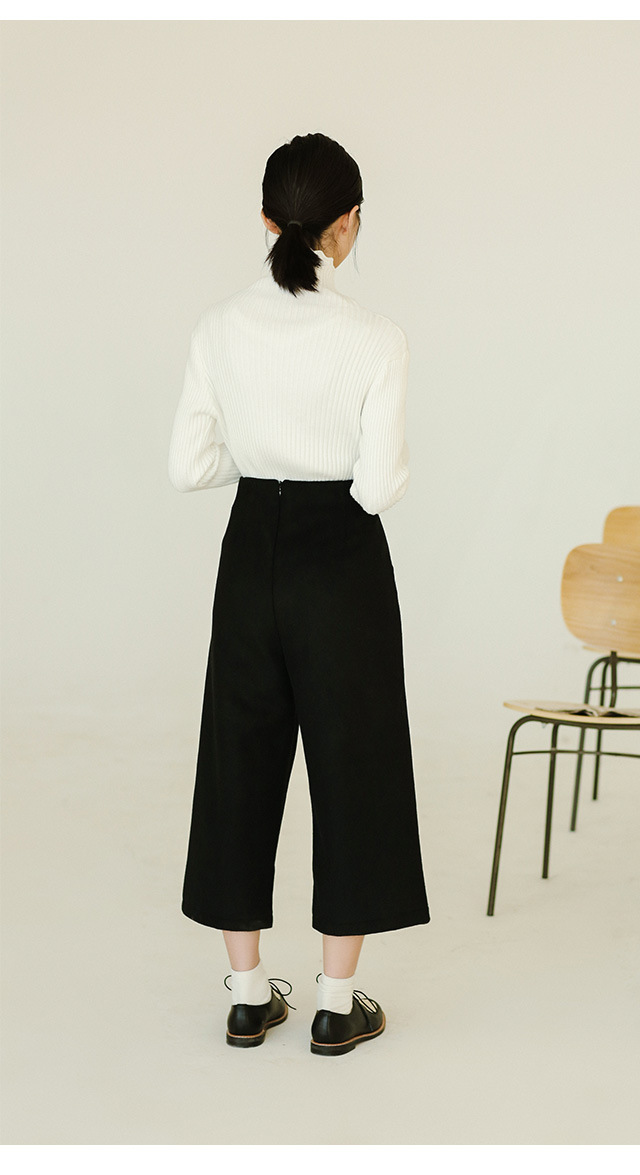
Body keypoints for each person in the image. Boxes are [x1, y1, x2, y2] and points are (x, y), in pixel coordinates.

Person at [168, 132, 430, 1056]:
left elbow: (187, 464)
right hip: (341, 556)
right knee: (354, 762)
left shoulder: (218, 326)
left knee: (237, 758)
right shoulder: (376, 338)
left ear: (267, 220)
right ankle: (335, 1002)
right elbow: (379, 486)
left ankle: (246, 995)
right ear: (347, 224)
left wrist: (260, 454)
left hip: (251, 551)